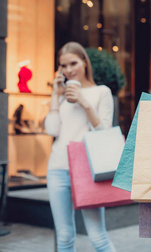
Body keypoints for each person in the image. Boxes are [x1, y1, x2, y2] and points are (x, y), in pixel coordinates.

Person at [45, 42, 116, 251]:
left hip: (88, 170)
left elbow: (104, 132)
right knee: (65, 236)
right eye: (63, 66)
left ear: (84, 62)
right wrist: (55, 96)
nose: (69, 70)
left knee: (98, 237)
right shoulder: (62, 98)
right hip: (57, 169)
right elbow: (51, 130)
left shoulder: (101, 92)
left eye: (73, 63)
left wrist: (84, 103)